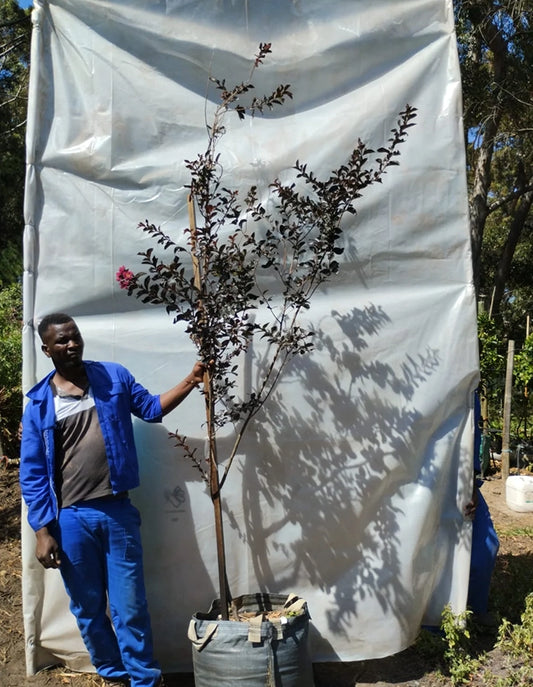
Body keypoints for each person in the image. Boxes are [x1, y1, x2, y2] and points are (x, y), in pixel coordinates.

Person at [20, 313, 207, 687]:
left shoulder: (112, 377)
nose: (71, 345)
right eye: (62, 341)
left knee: (130, 607)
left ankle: (144, 680)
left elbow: (151, 409)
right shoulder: (40, 404)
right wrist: (42, 530)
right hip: (70, 520)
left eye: (75, 337)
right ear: (46, 349)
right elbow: (33, 473)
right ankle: (114, 675)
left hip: (118, 511)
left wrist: (192, 379)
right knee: (88, 610)